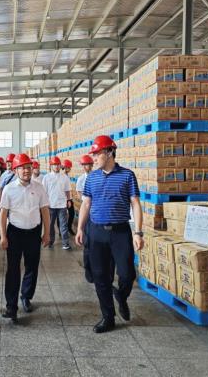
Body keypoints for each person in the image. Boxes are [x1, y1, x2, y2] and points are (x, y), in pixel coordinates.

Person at [75, 135, 144, 334]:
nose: (94, 158)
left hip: (120, 232)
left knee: (127, 274)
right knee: (100, 277)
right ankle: (108, 317)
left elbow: (135, 204)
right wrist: (80, 228)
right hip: (96, 232)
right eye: (93, 154)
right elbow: (86, 204)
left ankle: (121, 296)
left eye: (97, 154)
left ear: (110, 152)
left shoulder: (127, 175)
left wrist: (138, 232)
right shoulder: (92, 178)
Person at [0, 153, 50, 321]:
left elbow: (45, 211)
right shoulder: (9, 189)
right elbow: (3, 214)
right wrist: (3, 236)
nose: (26, 171)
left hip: (34, 233)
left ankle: (26, 296)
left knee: (32, 267)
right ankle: (11, 306)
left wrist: (47, 233)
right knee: (13, 270)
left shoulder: (39, 187)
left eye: (28, 167)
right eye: (22, 168)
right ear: (16, 170)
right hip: (14, 233)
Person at [42, 156, 72, 250]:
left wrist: (69, 200)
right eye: (54, 165)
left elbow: (67, 190)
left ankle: (65, 243)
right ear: (51, 166)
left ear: (60, 166)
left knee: (63, 225)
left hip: (62, 205)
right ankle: (51, 242)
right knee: (50, 225)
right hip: (50, 205)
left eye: (58, 165)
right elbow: (44, 192)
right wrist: (44, 204)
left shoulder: (64, 177)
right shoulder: (46, 177)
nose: (56, 166)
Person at [62, 159, 76, 235]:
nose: (70, 169)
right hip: (63, 199)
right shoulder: (61, 176)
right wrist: (67, 200)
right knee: (62, 215)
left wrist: (70, 198)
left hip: (68, 198)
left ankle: (69, 227)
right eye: (69, 167)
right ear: (65, 167)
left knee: (72, 213)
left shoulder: (67, 175)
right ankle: (62, 231)